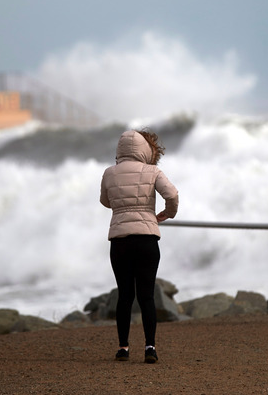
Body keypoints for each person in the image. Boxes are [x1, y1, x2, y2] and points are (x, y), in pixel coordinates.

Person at [100, 129, 179, 363]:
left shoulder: (109, 173)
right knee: (147, 296)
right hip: (146, 239)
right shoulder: (152, 171)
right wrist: (167, 214)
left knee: (124, 295)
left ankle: (123, 348)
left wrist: (122, 207)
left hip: (120, 241)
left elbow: (105, 201)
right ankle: (150, 348)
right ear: (145, 149)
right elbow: (172, 194)